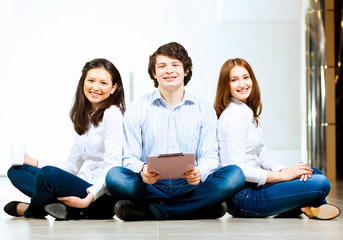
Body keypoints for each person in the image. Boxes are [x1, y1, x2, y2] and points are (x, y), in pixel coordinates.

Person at [105, 42, 245, 221]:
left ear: (186, 70)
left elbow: (210, 156)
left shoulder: (203, 109)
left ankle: (157, 211)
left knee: (235, 175)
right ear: (154, 73)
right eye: (162, 66)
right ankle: (195, 208)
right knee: (114, 176)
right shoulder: (137, 108)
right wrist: (143, 170)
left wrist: (200, 171)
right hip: (150, 186)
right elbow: (129, 158)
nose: (169, 70)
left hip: (190, 185)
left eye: (175, 65)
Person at [214, 58, 341, 220]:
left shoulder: (246, 112)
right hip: (242, 198)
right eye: (234, 80)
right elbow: (238, 170)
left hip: (257, 186)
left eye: (246, 77)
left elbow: (263, 155)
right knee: (321, 182)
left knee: (311, 173)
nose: (242, 84)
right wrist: (284, 176)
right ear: (226, 85)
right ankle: (309, 206)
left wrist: (284, 170)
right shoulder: (233, 117)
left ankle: (306, 207)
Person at [4, 58, 125, 220]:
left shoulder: (113, 114)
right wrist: (34, 161)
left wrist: (87, 199)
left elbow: (113, 168)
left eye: (103, 83)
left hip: (101, 196)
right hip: (84, 187)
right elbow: (71, 166)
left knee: (47, 175)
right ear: (83, 83)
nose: (95, 87)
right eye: (91, 81)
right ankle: (62, 209)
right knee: (16, 171)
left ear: (113, 88)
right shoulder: (85, 117)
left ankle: (30, 210)